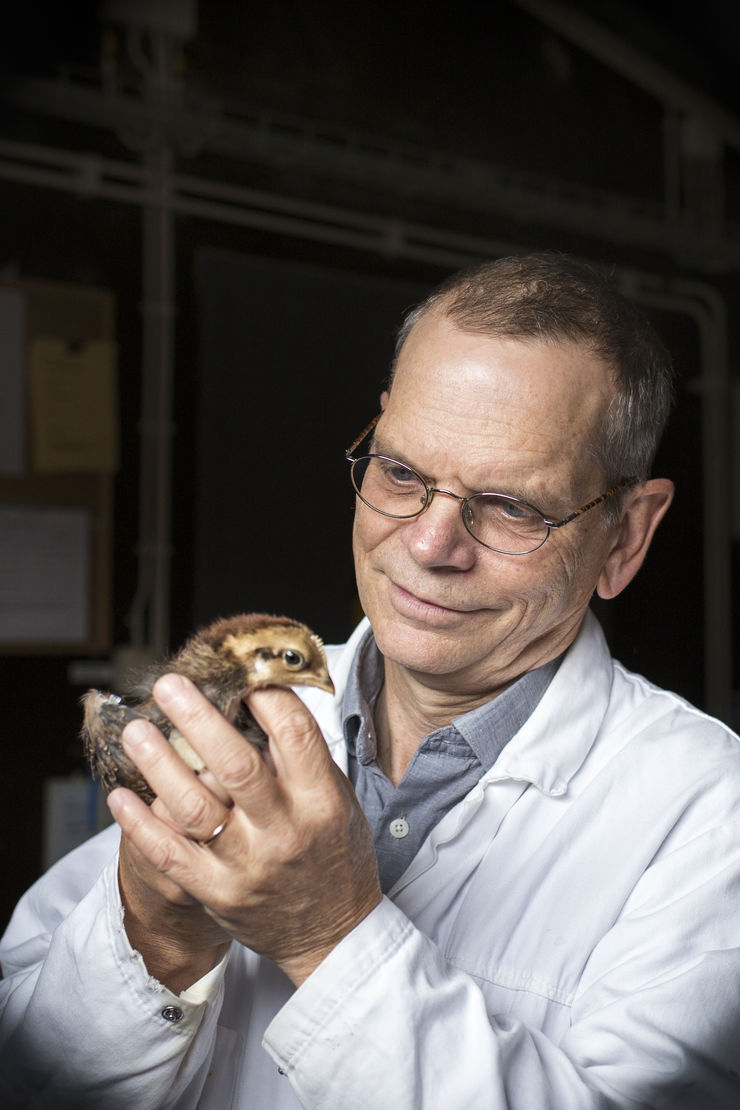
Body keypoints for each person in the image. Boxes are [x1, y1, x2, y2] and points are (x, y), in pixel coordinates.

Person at [2, 251, 739, 1109]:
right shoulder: (247, 705)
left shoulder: (710, 821)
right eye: (401, 473)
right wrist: (152, 935)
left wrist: (328, 934)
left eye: (510, 506)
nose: (428, 547)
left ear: (625, 537)